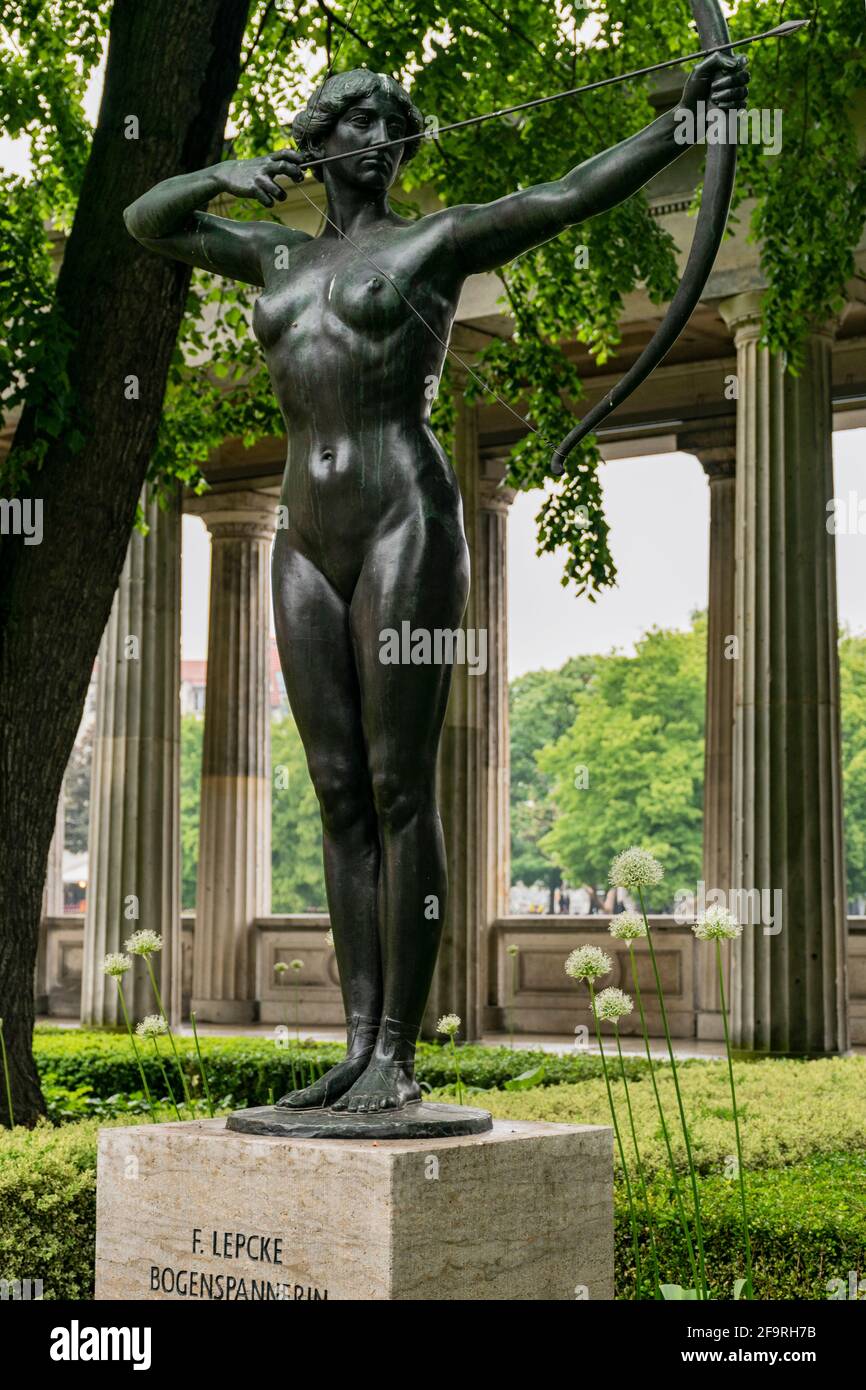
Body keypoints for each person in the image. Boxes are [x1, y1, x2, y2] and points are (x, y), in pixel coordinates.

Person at [124, 54, 748, 1114]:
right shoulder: (270, 255)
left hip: (402, 518)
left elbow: (560, 195)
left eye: (386, 120)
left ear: (399, 144)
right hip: (303, 538)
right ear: (317, 142)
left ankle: (397, 1052)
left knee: (398, 781)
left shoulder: (434, 238)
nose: (369, 131)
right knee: (335, 794)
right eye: (349, 117)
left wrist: (683, 127)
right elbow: (146, 218)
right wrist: (220, 174)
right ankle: (357, 1040)